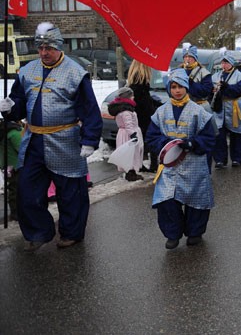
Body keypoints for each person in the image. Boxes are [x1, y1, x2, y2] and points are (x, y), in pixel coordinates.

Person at [0, 22, 102, 252]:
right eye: (41, 48)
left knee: (71, 193)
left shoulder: (76, 73)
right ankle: (38, 232)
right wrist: (9, 108)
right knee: (28, 191)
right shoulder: (27, 71)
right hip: (34, 140)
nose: (44, 53)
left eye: (49, 48)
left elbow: (89, 109)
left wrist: (89, 140)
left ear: (58, 46)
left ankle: (71, 233)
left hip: (66, 141)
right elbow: (18, 105)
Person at [147, 68, 216, 249]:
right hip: (169, 168)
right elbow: (151, 138)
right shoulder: (160, 112)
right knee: (167, 201)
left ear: (187, 88)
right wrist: (166, 143)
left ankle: (195, 232)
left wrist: (192, 144)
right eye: (174, 86)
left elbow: (209, 138)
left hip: (194, 165)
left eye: (181, 87)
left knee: (197, 201)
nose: (177, 90)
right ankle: (173, 233)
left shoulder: (199, 112)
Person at [211, 52, 241, 168]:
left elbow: (239, 90)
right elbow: (210, 89)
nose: (224, 65)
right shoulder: (216, 76)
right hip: (220, 107)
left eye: (226, 62)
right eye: (223, 62)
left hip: (234, 106)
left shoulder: (240, 76)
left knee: (236, 133)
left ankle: (237, 158)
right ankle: (220, 160)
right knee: (219, 134)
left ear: (231, 63)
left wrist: (227, 87)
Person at [127, 61, 160, 173]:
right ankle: (153, 164)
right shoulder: (141, 84)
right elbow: (144, 102)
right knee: (152, 138)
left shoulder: (133, 83)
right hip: (144, 116)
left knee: (140, 141)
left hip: (138, 116)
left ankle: (140, 164)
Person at [107, 87, 144, 182]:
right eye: (132, 96)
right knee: (131, 153)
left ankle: (131, 172)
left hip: (123, 134)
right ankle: (131, 173)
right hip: (129, 135)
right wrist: (133, 135)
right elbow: (128, 124)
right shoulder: (126, 111)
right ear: (127, 97)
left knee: (128, 154)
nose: (133, 97)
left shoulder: (122, 108)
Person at [0, 119, 23, 221]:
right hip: (16, 166)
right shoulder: (14, 133)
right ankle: (17, 213)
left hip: (7, 166)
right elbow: (22, 149)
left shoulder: (4, 133)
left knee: (13, 189)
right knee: (17, 190)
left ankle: (15, 212)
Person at [180, 44, 213, 112]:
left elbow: (206, 91)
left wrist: (192, 84)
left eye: (190, 57)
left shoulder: (204, 72)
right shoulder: (178, 71)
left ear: (195, 58)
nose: (187, 59)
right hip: (182, 106)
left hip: (199, 106)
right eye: (185, 57)